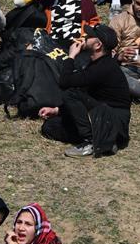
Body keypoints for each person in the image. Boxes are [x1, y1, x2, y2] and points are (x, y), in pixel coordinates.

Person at [39, 24, 131, 158]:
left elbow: (65, 83)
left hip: (113, 121)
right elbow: (85, 94)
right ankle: (106, 141)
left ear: (98, 45)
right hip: (103, 117)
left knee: (70, 93)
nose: (84, 37)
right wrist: (57, 111)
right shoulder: (97, 64)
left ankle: (91, 142)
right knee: (50, 127)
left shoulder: (104, 67)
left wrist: (71, 56)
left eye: (89, 36)